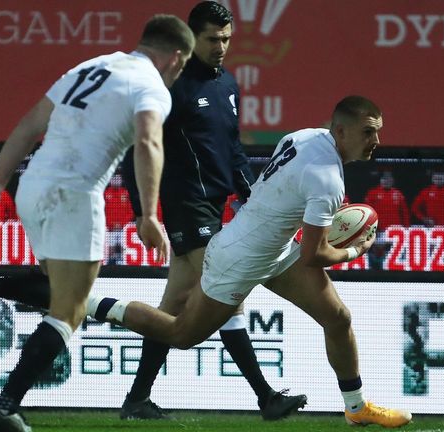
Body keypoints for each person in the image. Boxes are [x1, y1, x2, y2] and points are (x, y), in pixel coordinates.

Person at [79, 95, 411, 427]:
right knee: (181, 333)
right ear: (341, 131)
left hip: (274, 251)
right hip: (236, 260)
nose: (376, 142)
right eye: (368, 133)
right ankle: (85, 304)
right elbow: (314, 255)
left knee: (337, 318)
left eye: (377, 132)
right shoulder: (327, 181)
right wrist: (356, 250)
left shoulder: (303, 136)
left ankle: (356, 408)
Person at [0, 14, 194, 432]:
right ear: (176, 58)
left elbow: (29, 124)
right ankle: (4, 407)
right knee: (69, 311)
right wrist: (148, 215)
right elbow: (148, 142)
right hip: (74, 195)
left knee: (61, 290)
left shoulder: (90, 67)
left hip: (32, 187)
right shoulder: (150, 85)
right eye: (181, 69)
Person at [118, 1, 305, 420]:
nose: (221, 46)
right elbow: (137, 150)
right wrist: (140, 211)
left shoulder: (229, 85)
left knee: (175, 304)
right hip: (184, 202)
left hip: (213, 206)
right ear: (191, 37)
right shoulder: (171, 86)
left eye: (226, 39)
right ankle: (266, 397)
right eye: (212, 38)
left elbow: (233, 150)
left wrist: (251, 194)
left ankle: (136, 399)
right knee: (227, 291)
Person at [103, 172, 135, 264]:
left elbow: (131, 210)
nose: (116, 181)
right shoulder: (106, 193)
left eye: (118, 178)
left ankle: (122, 260)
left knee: (123, 244)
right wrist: (111, 224)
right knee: (110, 245)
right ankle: (110, 261)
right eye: (114, 178)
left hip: (123, 228)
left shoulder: (125, 193)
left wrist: (122, 224)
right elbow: (103, 211)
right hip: (110, 228)